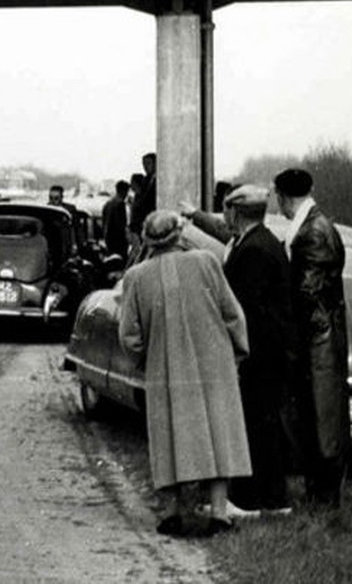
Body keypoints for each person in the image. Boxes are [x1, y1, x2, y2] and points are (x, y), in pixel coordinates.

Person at [118, 210, 253, 537]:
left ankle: (172, 512)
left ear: (149, 240)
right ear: (179, 235)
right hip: (214, 364)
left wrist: (144, 359)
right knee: (219, 433)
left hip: (165, 369)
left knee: (169, 436)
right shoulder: (207, 262)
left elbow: (129, 335)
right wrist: (237, 351)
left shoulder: (136, 277)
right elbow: (233, 314)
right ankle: (219, 513)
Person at [208, 186, 296, 515]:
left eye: (227, 211)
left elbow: (247, 312)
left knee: (256, 427)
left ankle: (256, 500)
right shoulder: (262, 241)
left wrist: (239, 355)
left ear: (235, 212)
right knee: (261, 426)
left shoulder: (253, 250)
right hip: (270, 354)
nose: (225, 216)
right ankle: (266, 499)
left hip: (259, 356)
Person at [273, 167, 349, 508]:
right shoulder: (314, 225)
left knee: (323, 417)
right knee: (319, 416)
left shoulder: (312, 232)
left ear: (282, 197)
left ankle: (325, 496)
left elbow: (307, 292)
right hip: (321, 334)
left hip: (318, 338)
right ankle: (320, 493)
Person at [129, 152, 157, 240]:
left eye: (148, 163)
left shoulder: (159, 180)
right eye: (144, 164)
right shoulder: (145, 180)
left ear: (156, 164)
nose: (145, 167)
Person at [101, 180, 131, 261]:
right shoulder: (120, 204)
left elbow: (103, 222)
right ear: (123, 191)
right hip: (119, 242)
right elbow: (121, 225)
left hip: (109, 240)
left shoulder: (108, 203)